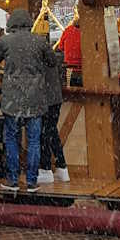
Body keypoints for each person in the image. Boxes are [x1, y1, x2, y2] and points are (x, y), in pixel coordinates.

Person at [0, 9, 56, 193]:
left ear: (11, 25)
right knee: (34, 140)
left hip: (13, 100)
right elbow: (52, 61)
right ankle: (32, 182)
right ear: (29, 23)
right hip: (35, 98)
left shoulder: (6, 41)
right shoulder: (39, 41)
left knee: (11, 138)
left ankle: (12, 180)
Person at [37, 42, 69, 185]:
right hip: (56, 100)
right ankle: (62, 167)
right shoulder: (55, 60)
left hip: (44, 101)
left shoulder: (39, 63)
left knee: (44, 135)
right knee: (51, 132)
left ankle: (46, 169)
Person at [57, 18, 82, 86]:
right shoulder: (85, 32)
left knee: (71, 88)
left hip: (69, 66)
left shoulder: (67, 30)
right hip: (83, 65)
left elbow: (60, 47)